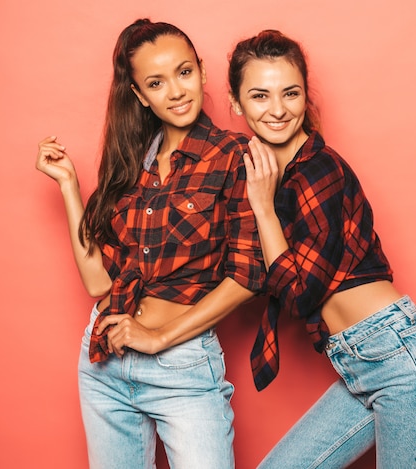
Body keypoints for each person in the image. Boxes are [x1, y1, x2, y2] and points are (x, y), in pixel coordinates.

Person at [228, 30, 416, 468]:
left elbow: (299, 296)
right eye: (260, 96)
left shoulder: (319, 171)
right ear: (236, 103)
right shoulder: (270, 174)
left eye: (290, 93)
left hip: (403, 364)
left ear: (306, 97)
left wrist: (261, 207)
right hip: (362, 365)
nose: (278, 110)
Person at [35, 19, 264, 469]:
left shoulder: (235, 156)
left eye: (184, 73)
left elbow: (248, 278)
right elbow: (99, 283)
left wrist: (159, 338)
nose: (176, 92)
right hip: (104, 363)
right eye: (156, 83)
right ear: (139, 94)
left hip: (181, 365)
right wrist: (68, 186)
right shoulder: (130, 162)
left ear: (200, 70)